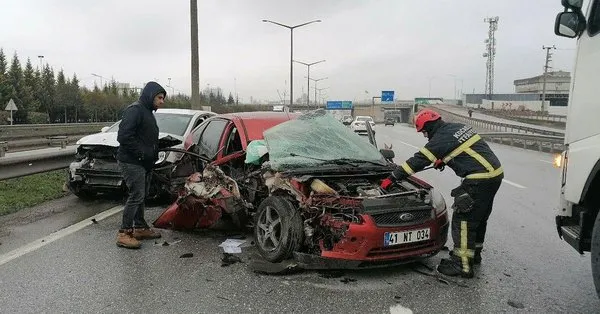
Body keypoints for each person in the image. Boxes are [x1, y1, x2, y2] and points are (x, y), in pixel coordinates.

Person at [380, 109, 503, 278]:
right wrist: (445, 158)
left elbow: (418, 161)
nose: (424, 135)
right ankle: (474, 256)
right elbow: (465, 151)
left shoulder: (440, 139)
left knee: (464, 220)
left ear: (429, 127)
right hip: (494, 175)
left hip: (479, 179)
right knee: (479, 218)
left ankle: (462, 265)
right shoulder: (456, 127)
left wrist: (393, 177)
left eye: (424, 131)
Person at [115, 81, 166, 249]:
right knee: (136, 195)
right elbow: (124, 136)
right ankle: (124, 233)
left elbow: (145, 137)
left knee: (141, 196)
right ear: (150, 95)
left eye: (163, 98)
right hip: (131, 161)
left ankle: (140, 227)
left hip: (143, 162)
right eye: (159, 97)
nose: (161, 101)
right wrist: (141, 153)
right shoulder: (135, 110)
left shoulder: (147, 112)